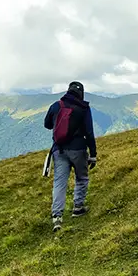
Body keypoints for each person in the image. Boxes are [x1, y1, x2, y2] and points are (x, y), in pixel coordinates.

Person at [43, 81, 97, 232]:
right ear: (81, 93)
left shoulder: (56, 105)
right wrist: (93, 154)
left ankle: (57, 217)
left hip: (58, 150)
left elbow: (47, 124)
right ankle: (78, 207)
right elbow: (89, 133)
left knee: (59, 183)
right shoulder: (83, 108)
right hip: (79, 149)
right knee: (82, 178)